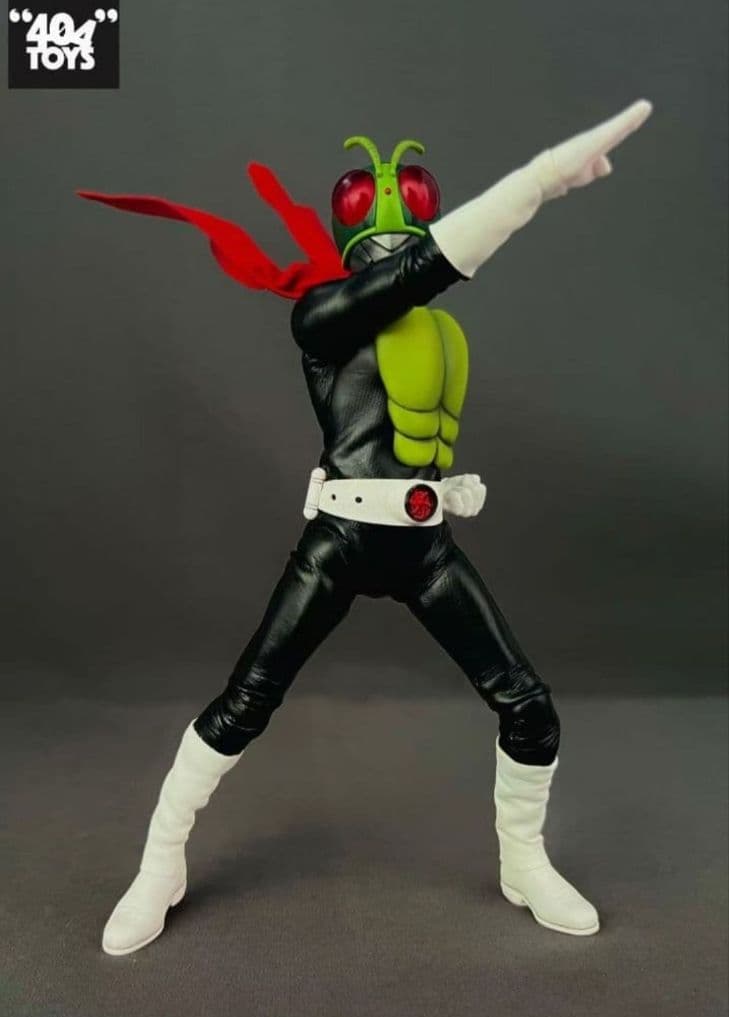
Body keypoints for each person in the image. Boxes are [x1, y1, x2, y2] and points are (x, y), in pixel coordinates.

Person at [82, 100, 653, 955]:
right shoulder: (322, 319)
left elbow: (419, 335)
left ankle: (523, 861)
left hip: (424, 549)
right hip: (339, 546)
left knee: (529, 707)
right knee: (244, 705)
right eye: (373, 212)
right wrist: (538, 183)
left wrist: (447, 494)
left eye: (407, 204)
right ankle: (159, 863)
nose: (391, 232)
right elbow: (426, 269)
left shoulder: (437, 330)